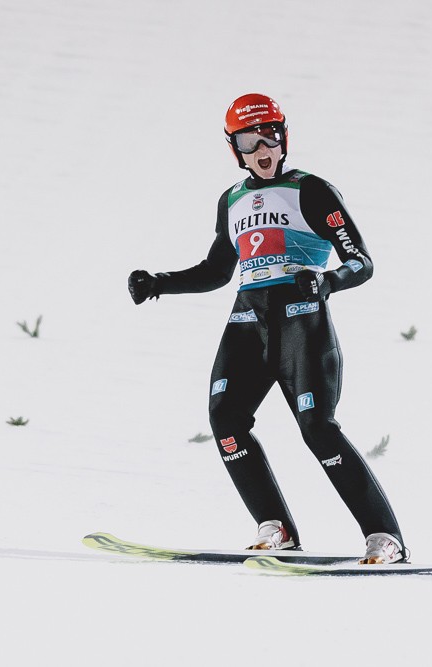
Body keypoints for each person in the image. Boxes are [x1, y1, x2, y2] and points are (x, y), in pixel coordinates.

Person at [127, 93, 406, 564]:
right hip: (247, 321)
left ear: (284, 138)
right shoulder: (232, 200)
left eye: (270, 137)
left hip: (302, 321)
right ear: (233, 148)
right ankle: (275, 526)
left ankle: (384, 536)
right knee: (225, 420)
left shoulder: (312, 190)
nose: (262, 149)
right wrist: (161, 283)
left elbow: (361, 262)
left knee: (318, 429)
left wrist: (327, 281)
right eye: (248, 141)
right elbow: (216, 271)